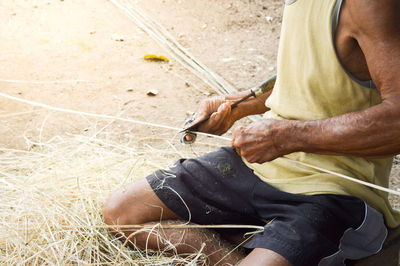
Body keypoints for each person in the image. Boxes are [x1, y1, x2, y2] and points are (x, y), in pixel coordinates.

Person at [103, 0, 400, 265]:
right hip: (262, 165)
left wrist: (287, 137)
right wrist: (238, 105)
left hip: (333, 191)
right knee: (123, 214)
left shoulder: (370, 5)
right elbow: (309, 73)